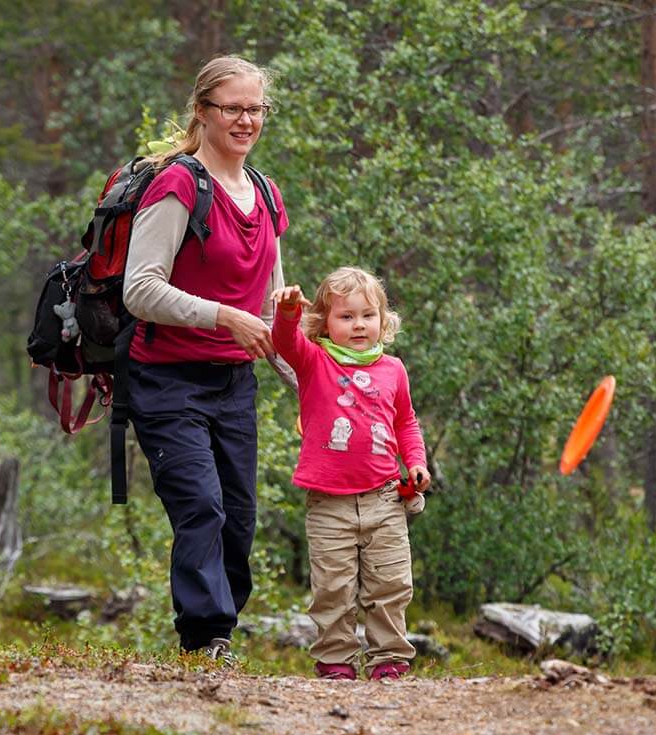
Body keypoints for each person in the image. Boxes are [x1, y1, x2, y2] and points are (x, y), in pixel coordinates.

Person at [122, 56, 292, 664]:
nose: (246, 120)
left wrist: (318, 384)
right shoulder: (178, 185)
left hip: (233, 384)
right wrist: (223, 316)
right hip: (166, 379)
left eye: (256, 109)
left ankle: (220, 630)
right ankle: (205, 640)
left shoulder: (267, 194)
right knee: (202, 507)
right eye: (233, 108)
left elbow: (273, 313)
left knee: (238, 521)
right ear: (203, 111)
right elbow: (138, 289)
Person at [271, 268, 430, 681]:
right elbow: (284, 342)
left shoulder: (393, 369)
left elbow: (406, 422)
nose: (359, 325)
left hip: (384, 498)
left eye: (367, 315)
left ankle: (389, 659)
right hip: (328, 502)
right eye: (346, 316)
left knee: (390, 584)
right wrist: (287, 312)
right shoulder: (314, 360)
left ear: (383, 319)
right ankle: (336, 660)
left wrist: (416, 461)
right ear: (325, 322)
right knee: (333, 589)